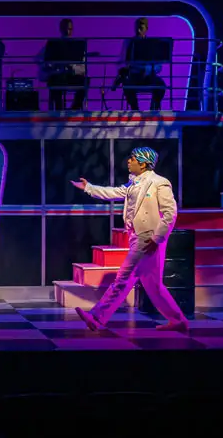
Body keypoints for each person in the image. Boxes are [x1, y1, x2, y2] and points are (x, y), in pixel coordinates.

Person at [70, 146, 189, 333]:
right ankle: (178, 320)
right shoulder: (132, 184)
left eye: (132, 159)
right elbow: (114, 192)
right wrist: (89, 188)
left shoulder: (159, 182)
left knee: (123, 278)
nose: (129, 161)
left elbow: (170, 213)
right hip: (136, 237)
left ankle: (97, 317)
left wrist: (157, 238)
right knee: (154, 286)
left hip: (148, 238)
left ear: (143, 163)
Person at [110, 17, 167, 111]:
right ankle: (135, 110)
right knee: (127, 85)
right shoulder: (129, 43)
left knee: (161, 85)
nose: (138, 30)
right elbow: (123, 61)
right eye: (137, 27)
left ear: (146, 29)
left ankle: (153, 109)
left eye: (141, 27)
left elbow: (158, 65)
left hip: (149, 76)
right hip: (134, 76)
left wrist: (149, 69)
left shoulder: (152, 44)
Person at [38, 18, 87, 111]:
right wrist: (54, 67)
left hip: (71, 76)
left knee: (85, 81)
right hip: (58, 76)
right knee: (55, 82)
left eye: (70, 29)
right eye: (66, 29)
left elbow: (83, 68)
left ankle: (74, 110)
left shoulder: (78, 46)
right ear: (61, 29)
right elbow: (39, 60)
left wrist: (72, 68)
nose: (68, 32)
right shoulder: (53, 44)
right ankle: (59, 112)